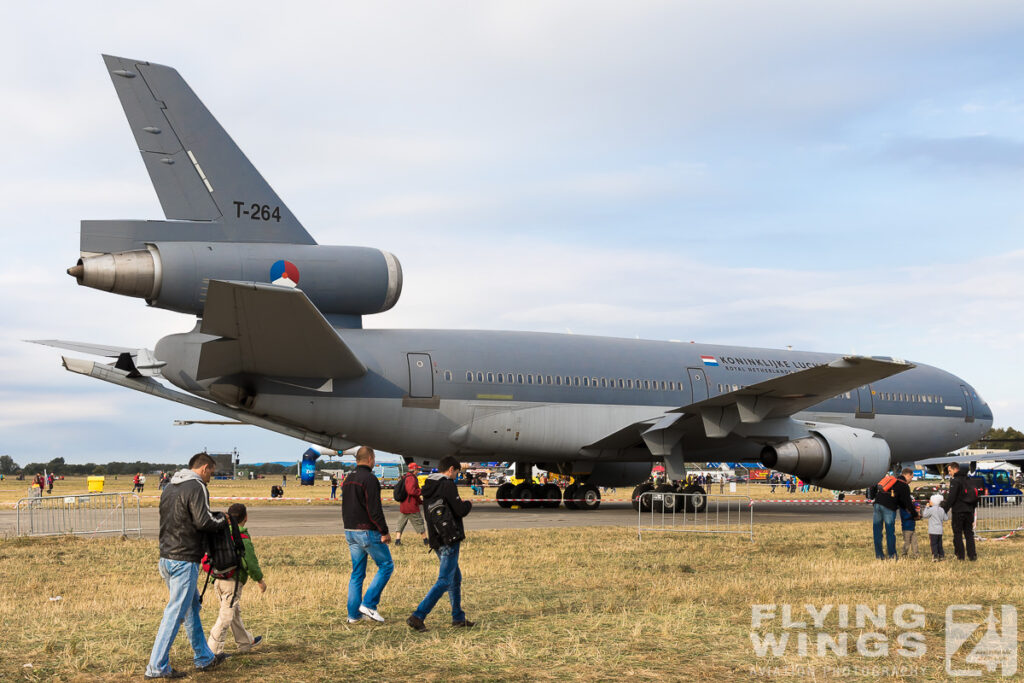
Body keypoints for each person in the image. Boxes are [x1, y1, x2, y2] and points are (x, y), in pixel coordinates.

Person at [145, 452, 229, 679]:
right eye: (211, 471)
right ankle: (156, 667)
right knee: (174, 614)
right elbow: (203, 520)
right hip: (184, 559)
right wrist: (222, 520)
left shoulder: (169, 487)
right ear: (203, 468)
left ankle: (204, 657)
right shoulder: (197, 486)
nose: (211, 475)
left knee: (191, 608)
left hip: (166, 557)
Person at [407, 456, 474, 632]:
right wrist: (468, 504)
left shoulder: (429, 485)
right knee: (444, 580)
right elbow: (460, 510)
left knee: (455, 578)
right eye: (457, 473)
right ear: (451, 469)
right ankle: (418, 615)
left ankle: (458, 616)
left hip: (436, 538)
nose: (457, 477)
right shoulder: (447, 485)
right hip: (449, 537)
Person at [341, 446, 393, 623]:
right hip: (367, 531)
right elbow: (374, 509)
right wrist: (384, 531)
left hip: (350, 531)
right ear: (370, 458)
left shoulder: (348, 478)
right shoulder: (370, 479)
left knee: (357, 573)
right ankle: (369, 604)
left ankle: (353, 615)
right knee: (386, 565)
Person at [206, 503, 265, 655]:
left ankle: (245, 642)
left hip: (217, 579)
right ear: (246, 517)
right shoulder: (242, 537)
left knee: (234, 612)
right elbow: (251, 563)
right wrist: (259, 580)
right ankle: (211, 651)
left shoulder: (221, 533)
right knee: (226, 616)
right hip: (232, 581)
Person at [871, 468, 915, 560]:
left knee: (877, 532)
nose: (911, 479)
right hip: (888, 508)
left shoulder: (892, 480)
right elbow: (908, 503)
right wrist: (915, 515)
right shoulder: (904, 485)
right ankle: (892, 556)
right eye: (912, 477)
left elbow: (901, 501)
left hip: (877, 504)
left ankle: (879, 556)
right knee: (890, 532)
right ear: (908, 475)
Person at [942, 462, 979, 561]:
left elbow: (951, 498)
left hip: (958, 511)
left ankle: (960, 555)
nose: (949, 473)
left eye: (950, 471)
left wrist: (944, 510)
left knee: (958, 534)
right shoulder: (969, 480)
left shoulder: (955, 481)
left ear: (955, 469)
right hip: (969, 511)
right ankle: (972, 555)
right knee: (969, 534)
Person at [394, 463, 428, 547]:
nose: (418, 471)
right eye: (417, 469)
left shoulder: (405, 477)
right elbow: (411, 491)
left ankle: (397, 540)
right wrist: (421, 491)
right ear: (414, 470)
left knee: (401, 523)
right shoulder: (412, 478)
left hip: (404, 505)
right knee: (419, 522)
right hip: (411, 506)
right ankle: (426, 540)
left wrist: (421, 502)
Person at [922, 493, 948, 561]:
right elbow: (946, 518)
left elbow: (924, 515)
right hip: (940, 530)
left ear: (933, 501)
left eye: (930, 501)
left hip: (933, 530)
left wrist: (927, 507)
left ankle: (935, 556)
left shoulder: (931, 509)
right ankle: (941, 555)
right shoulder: (941, 509)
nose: (929, 502)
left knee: (934, 544)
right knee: (939, 544)